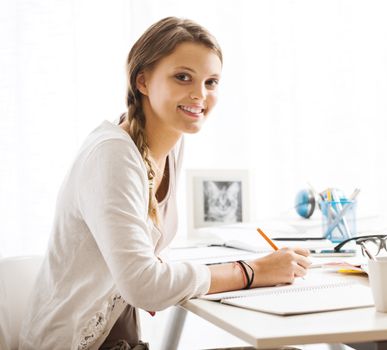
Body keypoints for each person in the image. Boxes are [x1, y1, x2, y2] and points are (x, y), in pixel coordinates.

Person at [19, 16, 311, 350]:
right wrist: (251, 271)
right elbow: (144, 286)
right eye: (183, 77)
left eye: (211, 82)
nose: (199, 95)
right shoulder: (112, 155)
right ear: (142, 81)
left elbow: (145, 269)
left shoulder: (170, 142)